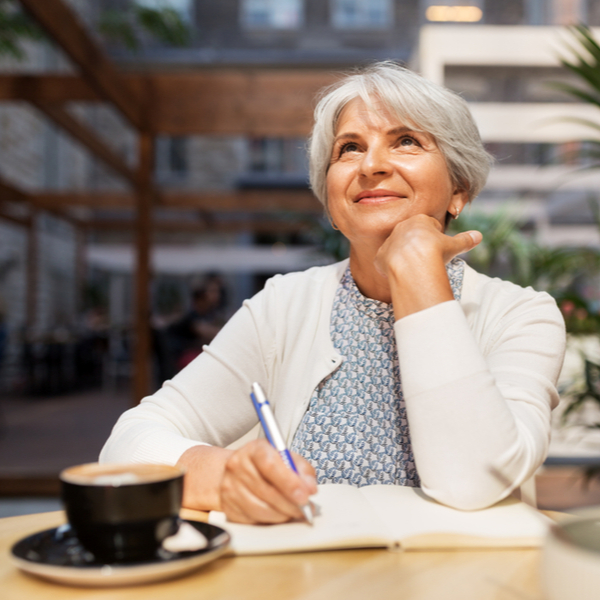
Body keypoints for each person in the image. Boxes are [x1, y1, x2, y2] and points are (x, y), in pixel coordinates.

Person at [100, 62, 566, 525]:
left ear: (458, 190)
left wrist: (419, 275)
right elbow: (127, 443)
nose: (372, 165)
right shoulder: (282, 306)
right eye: (350, 148)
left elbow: (474, 483)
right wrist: (221, 476)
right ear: (333, 204)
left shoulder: (522, 316)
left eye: (406, 141)